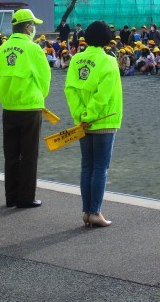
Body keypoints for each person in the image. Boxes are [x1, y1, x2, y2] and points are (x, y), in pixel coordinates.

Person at [64, 20, 122, 228]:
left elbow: (70, 89)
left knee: (87, 166)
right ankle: (95, 212)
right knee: (100, 168)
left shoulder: (76, 60)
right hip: (102, 120)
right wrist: (90, 115)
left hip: (82, 122)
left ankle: (87, 212)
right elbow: (103, 95)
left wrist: (81, 114)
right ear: (107, 39)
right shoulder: (109, 61)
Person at [0, 9, 51, 208]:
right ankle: (26, 197)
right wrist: (39, 97)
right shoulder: (33, 48)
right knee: (29, 154)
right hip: (29, 107)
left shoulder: (4, 47)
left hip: (8, 106)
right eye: (33, 25)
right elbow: (44, 79)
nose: (34, 29)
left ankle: (11, 197)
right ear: (28, 27)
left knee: (11, 154)